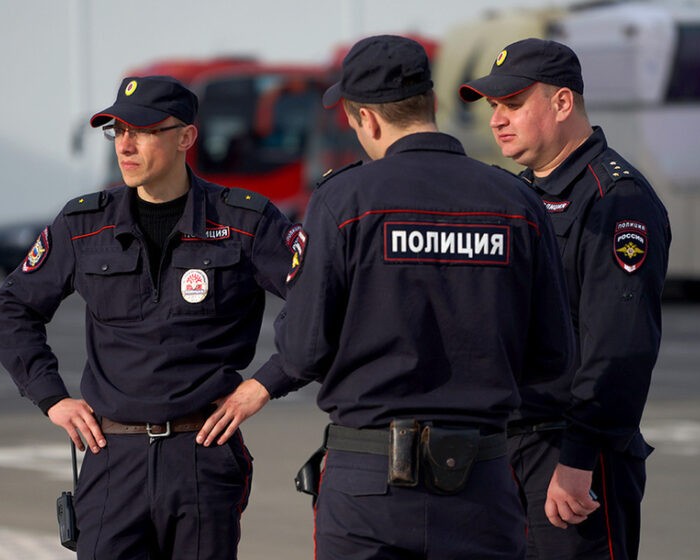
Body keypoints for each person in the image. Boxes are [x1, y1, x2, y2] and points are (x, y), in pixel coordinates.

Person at [197, 35, 575, 560]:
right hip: (482, 479)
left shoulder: (343, 200)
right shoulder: (517, 200)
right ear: (431, 103)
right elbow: (553, 355)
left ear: (367, 120)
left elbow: (304, 348)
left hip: (370, 481)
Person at [0, 75, 300, 559]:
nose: (126, 145)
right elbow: (15, 307)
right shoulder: (83, 224)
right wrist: (51, 398)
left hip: (201, 455)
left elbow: (319, 302)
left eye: (143, 131)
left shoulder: (243, 221)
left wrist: (264, 385)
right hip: (112, 457)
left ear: (186, 137)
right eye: (118, 131)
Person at [459, 38, 672, 560]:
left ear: (561, 103)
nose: (497, 120)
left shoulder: (616, 199)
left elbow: (620, 347)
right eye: (493, 107)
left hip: (573, 452)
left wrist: (578, 458)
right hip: (508, 448)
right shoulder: (521, 195)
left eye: (513, 104)